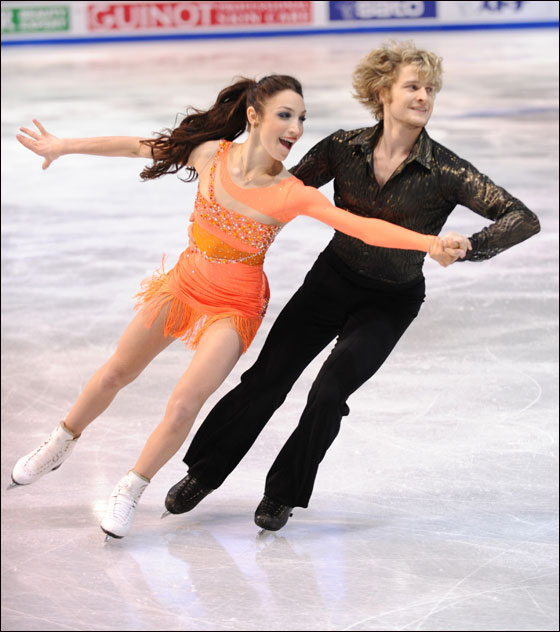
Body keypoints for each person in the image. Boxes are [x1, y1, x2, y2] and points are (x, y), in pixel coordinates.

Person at [8, 74, 461, 541]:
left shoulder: (292, 192)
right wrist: (62, 146)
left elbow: (362, 227)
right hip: (183, 285)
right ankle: (60, 442)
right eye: (285, 115)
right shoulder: (209, 154)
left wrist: (429, 244)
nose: (296, 129)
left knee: (185, 403)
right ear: (253, 116)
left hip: (237, 306)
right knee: (115, 373)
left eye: (302, 118)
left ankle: (130, 488)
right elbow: (135, 146)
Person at [164, 42, 541, 532]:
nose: (424, 96)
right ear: (382, 92)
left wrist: (472, 245)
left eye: (430, 89)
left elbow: (522, 217)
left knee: (328, 393)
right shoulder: (343, 148)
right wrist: (225, 209)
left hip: (390, 301)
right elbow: (281, 191)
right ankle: (204, 472)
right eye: (413, 86)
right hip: (331, 282)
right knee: (268, 378)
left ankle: (282, 494)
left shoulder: (446, 171)